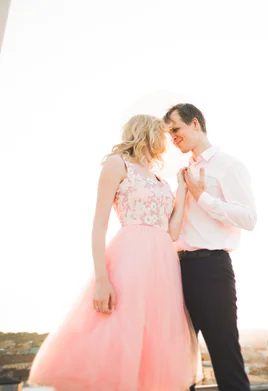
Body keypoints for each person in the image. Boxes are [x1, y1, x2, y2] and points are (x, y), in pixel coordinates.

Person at [28, 114, 198, 391]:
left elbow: (172, 232)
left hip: (163, 265)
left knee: (154, 342)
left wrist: (181, 190)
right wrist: (101, 279)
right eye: (162, 135)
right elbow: (99, 224)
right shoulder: (117, 164)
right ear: (148, 133)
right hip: (130, 257)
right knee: (122, 333)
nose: (166, 142)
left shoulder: (158, 178)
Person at [163, 103, 257, 391]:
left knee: (224, 356)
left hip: (211, 269)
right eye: (168, 133)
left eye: (176, 129)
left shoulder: (228, 165)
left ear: (194, 123)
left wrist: (202, 197)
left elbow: (249, 218)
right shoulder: (182, 173)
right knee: (178, 359)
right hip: (176, 269)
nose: (173, 137)